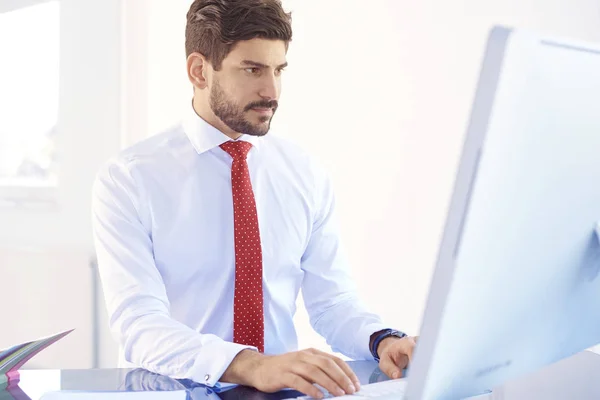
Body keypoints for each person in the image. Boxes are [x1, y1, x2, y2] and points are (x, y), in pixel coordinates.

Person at [91, 0, 416, 398]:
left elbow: (332, 302)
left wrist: (383, 340)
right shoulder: (130, 178)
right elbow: (139, 325)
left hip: (282, 394)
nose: (272, 91)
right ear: (199, 70)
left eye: (279, 70)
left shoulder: (303, 172)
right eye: (252, 70)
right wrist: (252, 365)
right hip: (176, 391)